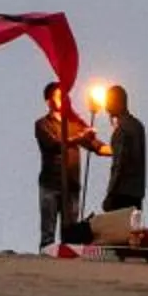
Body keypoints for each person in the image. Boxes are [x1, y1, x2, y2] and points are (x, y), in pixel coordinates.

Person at [33, 82, 106, 248]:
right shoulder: (42, 124)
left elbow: (97, 147)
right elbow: (54, 144)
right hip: (50, 184)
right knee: (48, 235)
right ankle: (45, 264)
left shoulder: (74, 124)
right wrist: (80, 138)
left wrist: (119, 149)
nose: (63, 99)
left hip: (71, 186)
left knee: (71, 235)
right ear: (49, 100)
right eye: (58, 96)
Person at [100, 84, 148, 216]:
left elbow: (119, 163)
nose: (106, 107)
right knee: (132, 233)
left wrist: (110, 194)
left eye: (108, 102)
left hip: (121, 194)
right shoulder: (137, 126)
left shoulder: (122, 130)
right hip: (136, 194)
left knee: (118, 233)